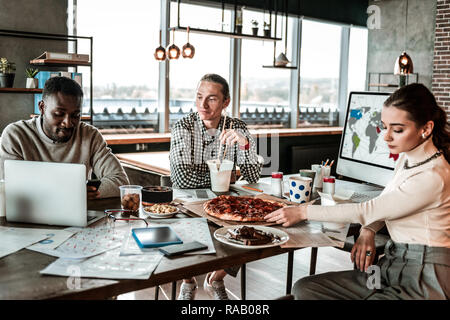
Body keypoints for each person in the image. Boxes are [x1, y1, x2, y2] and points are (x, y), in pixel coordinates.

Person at [265, 83, 450, 300]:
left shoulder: (433, 176)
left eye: (397, 129)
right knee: (305, 289)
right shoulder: (407, 159)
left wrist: (302, 212)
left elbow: (368, 209)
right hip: (390, 265)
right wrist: (368, 230)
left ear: (426, 129)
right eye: (384, 126)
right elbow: (388, 203)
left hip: (424, 278)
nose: (386, 137)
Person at [169, 73, 261, 300]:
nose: (202, 104)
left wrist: (245, 144)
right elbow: (181, 179)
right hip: (189, 200)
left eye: (211, 98)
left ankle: (216, 278)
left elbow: (252, 175)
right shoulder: (184, 127)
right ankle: (188, 282)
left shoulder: (237, 127)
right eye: (199, 97)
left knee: (247, 233)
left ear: (225, 102)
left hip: (225, 202)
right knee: (184, 236)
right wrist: (224, 178)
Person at [0, 76, 129, 198]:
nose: (68, 123)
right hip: (27, 218)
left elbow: (120, 181)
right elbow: (8, 188)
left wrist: (86, 193)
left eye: (75, 115)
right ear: (42, 107)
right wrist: (70, 193)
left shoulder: (90, 135)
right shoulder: (15, 135)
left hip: (78, 217)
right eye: (59, 114)